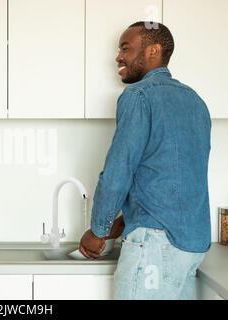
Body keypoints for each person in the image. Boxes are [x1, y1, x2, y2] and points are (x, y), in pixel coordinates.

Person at [79, 22, 211, 300]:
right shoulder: (196, 102)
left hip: (154, 248)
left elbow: (118, 172)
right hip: (192, 247)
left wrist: (98, 230)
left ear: (154, 50)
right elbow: (170, 180)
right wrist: (118, 226)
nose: (118, 57)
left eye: (126, 48)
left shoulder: (138, 96)